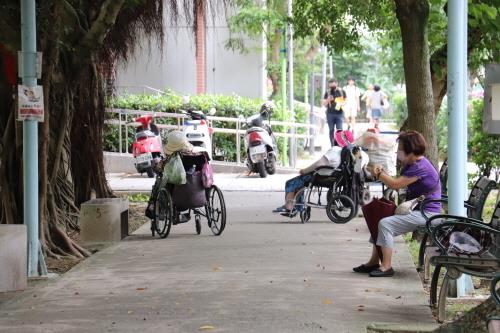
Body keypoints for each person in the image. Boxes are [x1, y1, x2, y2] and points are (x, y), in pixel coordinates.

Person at [353, 131, 441, 277]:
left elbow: (395, 184)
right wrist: (383, 172)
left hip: (428, 214)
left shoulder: (420, 167)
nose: (398, 151)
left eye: (400, 148)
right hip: (418, 210)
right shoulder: (414, 163)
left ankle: (386, 267)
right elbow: (398, 180)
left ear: (410, 150)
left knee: (385, 224)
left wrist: (379, 174)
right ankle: (374, 261)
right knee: (378, 220)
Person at [272, 130, 368, 215]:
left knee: (291, 183)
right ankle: (297, 206)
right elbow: (360, 170)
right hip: (342, 180)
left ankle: (289, 207)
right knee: (300, 182)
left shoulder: (335, 151)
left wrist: (304, 171)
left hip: (323, 178)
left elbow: (319, 164)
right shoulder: (361, 154)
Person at [145, 130, 193, 221]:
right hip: (191, 188)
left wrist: (155, 165)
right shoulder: (192, 156)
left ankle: (153, 206)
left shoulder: (172, 158)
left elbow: (160, 168)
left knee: (160, 181)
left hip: (174, 188)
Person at [322, 79, 346, 146]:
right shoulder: (327, 92)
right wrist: (328, 99)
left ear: (336, 83)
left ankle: (339, 144)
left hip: (339, 113)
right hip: (330, 113)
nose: (332, 85)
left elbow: (345, 101)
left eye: (333, 84)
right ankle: (332, 145)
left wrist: (340, 102)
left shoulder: (341, 91)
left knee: (340, 129)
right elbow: (324, 104)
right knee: (331, 129)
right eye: (330, 84)